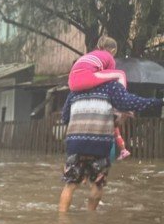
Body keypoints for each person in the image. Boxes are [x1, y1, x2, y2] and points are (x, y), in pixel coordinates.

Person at [58, 79, 163, 212]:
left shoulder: (75, 91)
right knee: (97, 184)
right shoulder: (111, 87)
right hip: (99, 145)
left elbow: (65, 118)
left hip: (76, 144)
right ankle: (91, 218)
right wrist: (159, 102)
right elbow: (130, 103)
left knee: (70, 185)